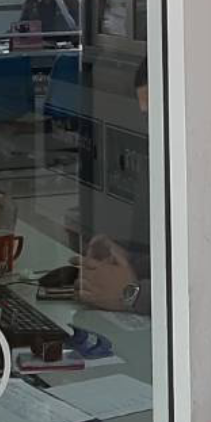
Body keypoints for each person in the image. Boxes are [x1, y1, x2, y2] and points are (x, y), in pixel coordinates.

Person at [77, 60, 151, 315]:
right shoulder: (157, 159)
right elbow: (177, 261)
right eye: (146, 117)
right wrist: (126, 262)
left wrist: (131, 294)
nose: (151, 127)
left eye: (158, 114)